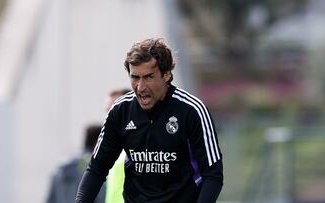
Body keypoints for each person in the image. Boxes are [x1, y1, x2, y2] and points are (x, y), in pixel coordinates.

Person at [75, 38, 223, 203]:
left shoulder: (192, 110)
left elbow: (213, 175)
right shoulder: (120, 111)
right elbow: (96, 169)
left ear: (166, 75)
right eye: (135, 77)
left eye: (148, 77)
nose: (140, 87)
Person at [46, 124, 106, 203]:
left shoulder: (62, 165)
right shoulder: (93, 165)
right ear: (97, 142)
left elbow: (51, 199)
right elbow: (101, 197)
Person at [104, 88, 131, 203]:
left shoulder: (140, 144)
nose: (109, 116)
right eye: (107, 111)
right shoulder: (112, 147)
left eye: (114, 109)